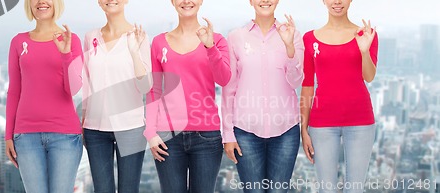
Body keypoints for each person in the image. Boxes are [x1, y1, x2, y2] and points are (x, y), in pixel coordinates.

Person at [144, 0, 231, 192]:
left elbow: (224, 79)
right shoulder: (159, 42)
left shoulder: (216, 40)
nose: (186, 1)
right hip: (168, 137)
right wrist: (150, 132)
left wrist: (210, 48)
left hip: (207, 137)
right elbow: (153, 90)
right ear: (173, 2)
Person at [221, 0, 304, 192]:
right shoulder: (236, 37)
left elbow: (296, 81)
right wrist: (227, 133)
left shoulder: (294, 35)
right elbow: (229, 88)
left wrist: (289, 46)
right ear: (250, 1)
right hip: (245, 132)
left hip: (286, 131)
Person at [4, 0, 84, 192]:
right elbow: (14, 90)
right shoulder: (18, 41)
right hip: (26, 137)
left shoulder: (72, 40)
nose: (41, 1)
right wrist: (8, 135)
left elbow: (73, 89)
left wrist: (65, 55)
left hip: (65, 135)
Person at [300, 0, 378, 192]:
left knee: (355, 189)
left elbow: (369, 76)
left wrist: (364, 50)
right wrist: (304, 128)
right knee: (326, 189)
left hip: (360, 121)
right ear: (323, 1)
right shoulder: (309, 39)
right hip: (322, 124)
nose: (337, 1)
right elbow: (307, 85)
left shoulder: (366, 35)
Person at [81, 0, 152, 192]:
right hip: (95, 129)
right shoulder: (90, 37)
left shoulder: (139, 37)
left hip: (131, 128)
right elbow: (87, 83)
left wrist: (135, 53)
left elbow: (145, 86)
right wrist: (83, 120)